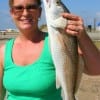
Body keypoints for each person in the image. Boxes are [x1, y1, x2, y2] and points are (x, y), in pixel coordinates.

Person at [0, 0, 100, 100]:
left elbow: (97, 68)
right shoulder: (3, 52)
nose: (25, 13)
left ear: (39, 12)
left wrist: (83, 36)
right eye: (19, 8)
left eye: (31, 7)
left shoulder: (55, 43)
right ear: (12, 13)